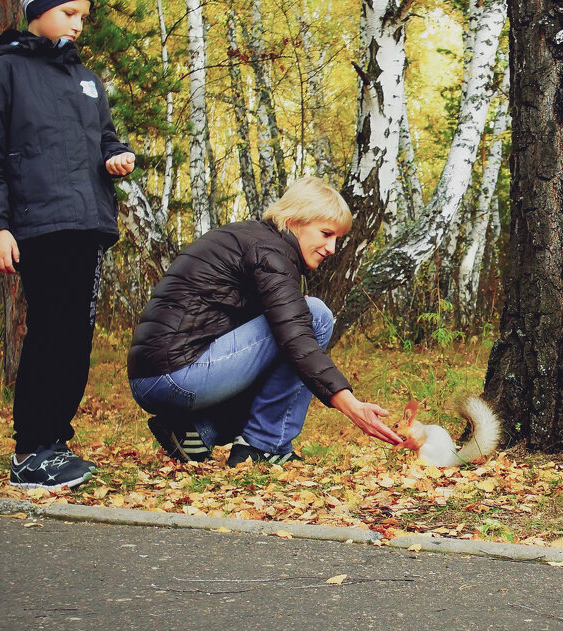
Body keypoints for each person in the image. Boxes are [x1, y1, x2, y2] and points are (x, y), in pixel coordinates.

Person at [0, 0, 136, 490]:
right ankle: (29, 450)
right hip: (37, 226)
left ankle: (56, 442)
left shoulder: (88, 82)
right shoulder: (1, 73)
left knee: (76, 338)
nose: (78, 24)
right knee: (48, 334)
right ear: (38, 10)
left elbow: (104, 136)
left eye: (83, 15)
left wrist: (117, 154)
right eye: (68, 12)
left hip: (88, 224)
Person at [127, 177, 402, 466]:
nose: (331, 248)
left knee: (283, 342)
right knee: (315, 316)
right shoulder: (269, 251)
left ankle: (197, 430)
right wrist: (350, 404)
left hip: (154, 378)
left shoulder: (254, 239)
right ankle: (263, 445)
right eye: (325, 233)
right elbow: (297, 338)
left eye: (336, 239)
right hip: (177, 375)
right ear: (296, 219)